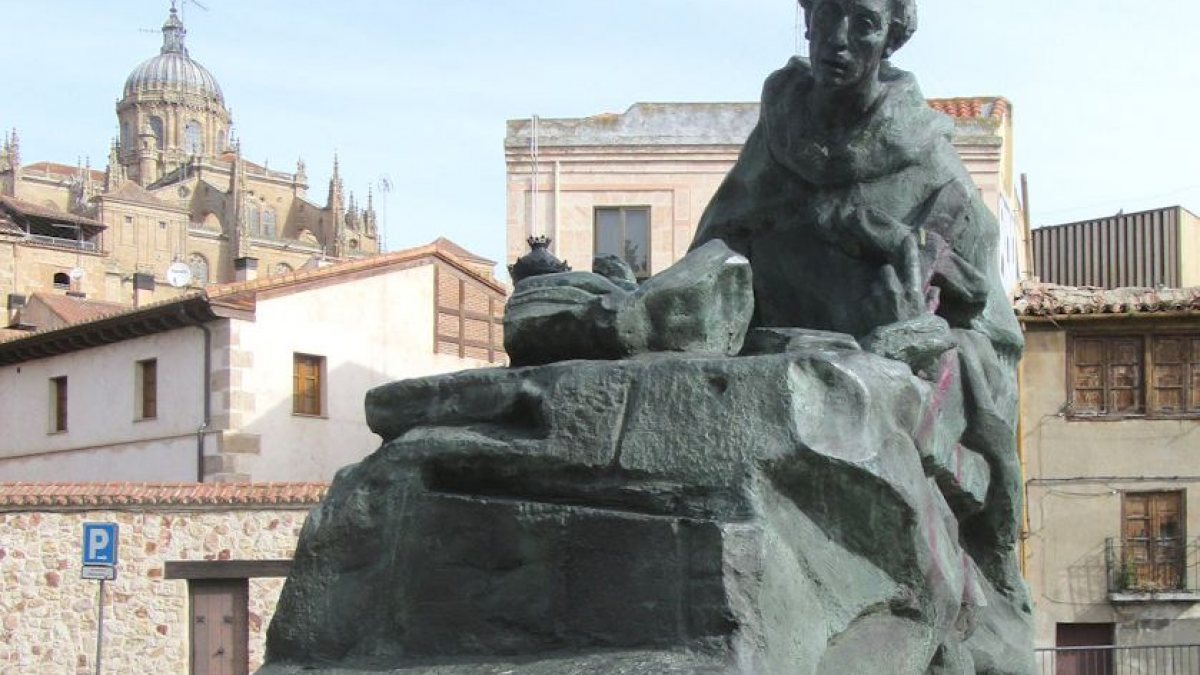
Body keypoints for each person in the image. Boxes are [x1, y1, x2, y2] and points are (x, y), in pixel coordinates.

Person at [692, 0, 1026, 599]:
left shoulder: (932, 166)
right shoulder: (775, 139)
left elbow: (993, 330)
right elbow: (715, 253)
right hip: (775, 357)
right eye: (825, 18)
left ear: (890, 38)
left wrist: (929, 331)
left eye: (863, 23)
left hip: (890, 369)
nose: (838, 41)